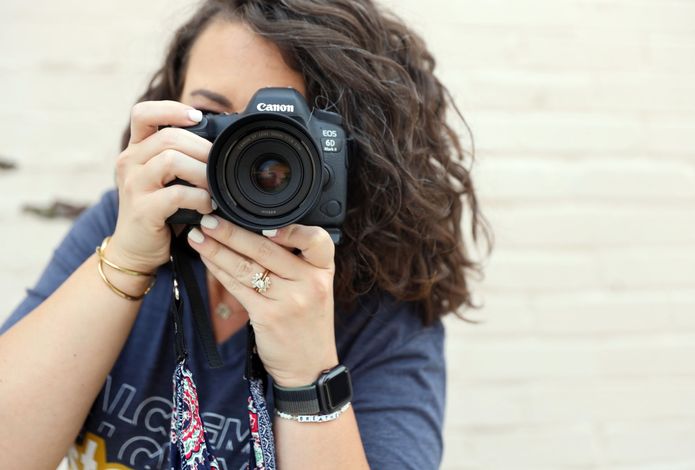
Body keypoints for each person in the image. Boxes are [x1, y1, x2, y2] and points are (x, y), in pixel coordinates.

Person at [0, 0, 492, 468]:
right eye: (214, 118)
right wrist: (126, 262)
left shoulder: (381, 309)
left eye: (283, 130)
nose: (245, 149)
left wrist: (307, 373)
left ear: (353, 150)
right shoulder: (125, 225)